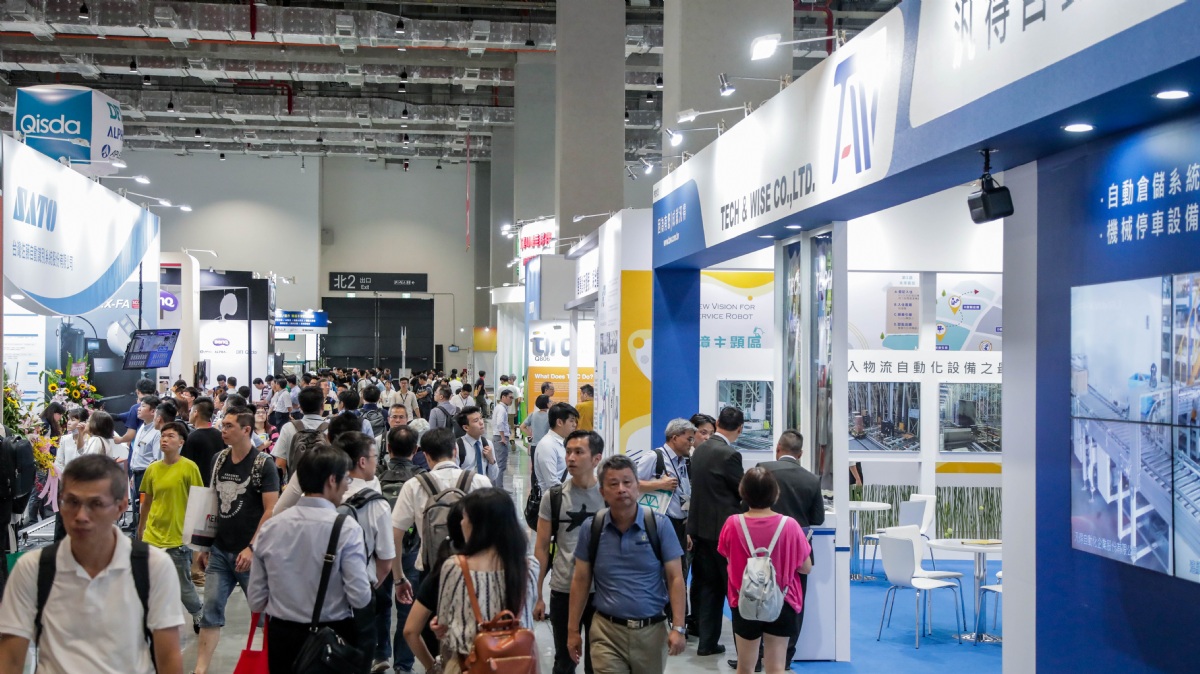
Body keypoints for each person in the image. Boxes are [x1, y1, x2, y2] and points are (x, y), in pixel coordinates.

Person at [0, 455, 185, 674]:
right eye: (72, 502)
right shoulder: (33, 569)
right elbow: (11, 658)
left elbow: (168, 657)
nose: (81, 516)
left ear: (121, 506)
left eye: (96, 504)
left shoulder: (152, 567)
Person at [248, 444, 373, 674]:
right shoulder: (346, 529)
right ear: (332, 480)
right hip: (332, 640)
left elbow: (256, 600)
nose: (348, 485)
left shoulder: (271, 528)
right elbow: (360, 596)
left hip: (281, 638)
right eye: (346, 479)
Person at [569, 455, 687, 674]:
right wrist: (572, 630)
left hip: (651, 633)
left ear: (637, 486)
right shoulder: (592, 528)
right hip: (606, 632)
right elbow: (581, 580)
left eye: (627, 482)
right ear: (602, 492)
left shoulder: (659, 526)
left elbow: (675, 578)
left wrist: (678, 627)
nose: (621, 489)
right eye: (613, 484)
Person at [193, 411, 281, 674]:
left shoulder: (263, 464)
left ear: (246, 430)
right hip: (220, 550)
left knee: (266, 616)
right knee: (210, 613)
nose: (223, 430)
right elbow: (212, 502)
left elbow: (271, 509)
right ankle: (199, 670)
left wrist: (252, 547)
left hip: (252, 555)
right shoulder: (218, 459)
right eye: (223, 425)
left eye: (229, 426)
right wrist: (204, 544)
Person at [718, 468, 812, 674]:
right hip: (782, 601)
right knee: (776, 667)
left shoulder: (732, 523)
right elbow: (806, 568)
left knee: (745, 667)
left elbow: (727, 557)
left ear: (743, 491)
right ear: (775, 493)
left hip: (744, 600)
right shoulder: (790, 525)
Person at [435, 488, 538, 673]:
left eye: (464, 517)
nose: (461, 523)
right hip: (518, 665)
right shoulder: (529, 567)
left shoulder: (455, 567)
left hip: (469, 666)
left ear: (478, 525)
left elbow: (442, 624)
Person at [747, 429, 825, 668]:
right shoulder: (811, 479)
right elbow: (818, 518)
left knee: (756, 595)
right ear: (800, 454)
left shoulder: (763, 469)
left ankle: (756, 657)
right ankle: (785, 659)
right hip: (796, 550)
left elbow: (746, 504)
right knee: (794, 601)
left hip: (761, 546)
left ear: (778, 448)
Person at [534, 430, 605, 674]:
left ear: (596, 459)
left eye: (578, 452)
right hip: (563, 589)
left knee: (598, 663)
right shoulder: (553, 497)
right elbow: (541, 547)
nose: (571, 458)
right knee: (564, 662)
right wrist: (538, 594)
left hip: (602, 592)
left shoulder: (608, 496)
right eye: (568, 452)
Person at [390, 428, 491, 586]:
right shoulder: (480, 481)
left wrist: (399, 578)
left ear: (426, 456)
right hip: (474, 569)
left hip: (431, 571)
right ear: (455, 451)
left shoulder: (414, 485)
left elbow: (395, 534)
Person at [332, 432, 396, 673]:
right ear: (361, 461)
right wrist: (365, 588)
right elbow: (386, 562)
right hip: (361, 594)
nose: (375, 462)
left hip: (321, 594)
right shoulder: (376, 504)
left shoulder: (324, 493)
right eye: (374, 457)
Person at [687, 406, 746, 656]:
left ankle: (707, 643)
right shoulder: (730, 455)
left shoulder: (699, 450)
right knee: (734, 589)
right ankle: (745, 652)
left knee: (708, 588)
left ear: (718, 422)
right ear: (740, 429)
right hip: (724, 533)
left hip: (700, 530)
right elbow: (743, 491)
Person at [138, 420, 205, 631]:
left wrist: (198, 540)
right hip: (152, 535)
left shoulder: (189, 468)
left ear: (181, 442)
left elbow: (198, 502)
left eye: (170, 436)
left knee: (183, 586)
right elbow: (147, 501)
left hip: (177, 537)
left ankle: (198, 613)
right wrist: (141, 528)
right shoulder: (152, 469)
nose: (165, 440)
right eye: (163, 436)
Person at [633, 418, 695, 623]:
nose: (691, 443)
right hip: (658, 523)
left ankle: (677, 620)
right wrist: (659, 484)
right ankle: (658, 616)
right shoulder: (654, 457)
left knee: (679, 573)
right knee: (660, 571)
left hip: (680, 524)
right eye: (688, 439)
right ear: (674, 438)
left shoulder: (685, 462)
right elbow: (632, 483)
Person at [402, 501, 465, 673]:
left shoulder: (443, 570)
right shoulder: (516, 568)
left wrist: (432, 667)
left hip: (455, 664)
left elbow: (410, 631)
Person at [273, 386, 329, 477]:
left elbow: (280, 463)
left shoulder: (288, 427)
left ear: (301, 407)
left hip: (295, 482)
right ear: (322, 406)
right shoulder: (331, 429)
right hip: (324, 483)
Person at [534, 403, 579, 492]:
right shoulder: (547, 445)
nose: (575, 425)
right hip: (554, 498)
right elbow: (552, 482)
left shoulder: (564, 442)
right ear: (559, 422)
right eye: (571, 421)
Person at [182, 398, 224, 486]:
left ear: (195, 412)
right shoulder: (220, 435)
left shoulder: (192, 438)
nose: (189, 413)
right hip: (218, 484)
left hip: (198, 486)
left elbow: (185, 465)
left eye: (191, 411)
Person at [456, 407, 499, 483]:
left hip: (483, 488)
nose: (481, 422)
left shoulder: (487, 444)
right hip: (467, 489)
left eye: (481, 418)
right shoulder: (457, 446)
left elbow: (493, 476)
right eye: (476, 421)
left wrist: (491, 460)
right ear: (466, 427)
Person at [491, 389, 514, 491]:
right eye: (510, 397)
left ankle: (496, 487)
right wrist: (503, 437)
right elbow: (500, 423)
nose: (511, 400)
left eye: (512, 397)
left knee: (498, 464)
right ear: (503, 397)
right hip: (500, 438)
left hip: (498, 437)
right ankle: (499, 489)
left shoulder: (500, 407)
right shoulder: (501, 409)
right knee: (501, 465)